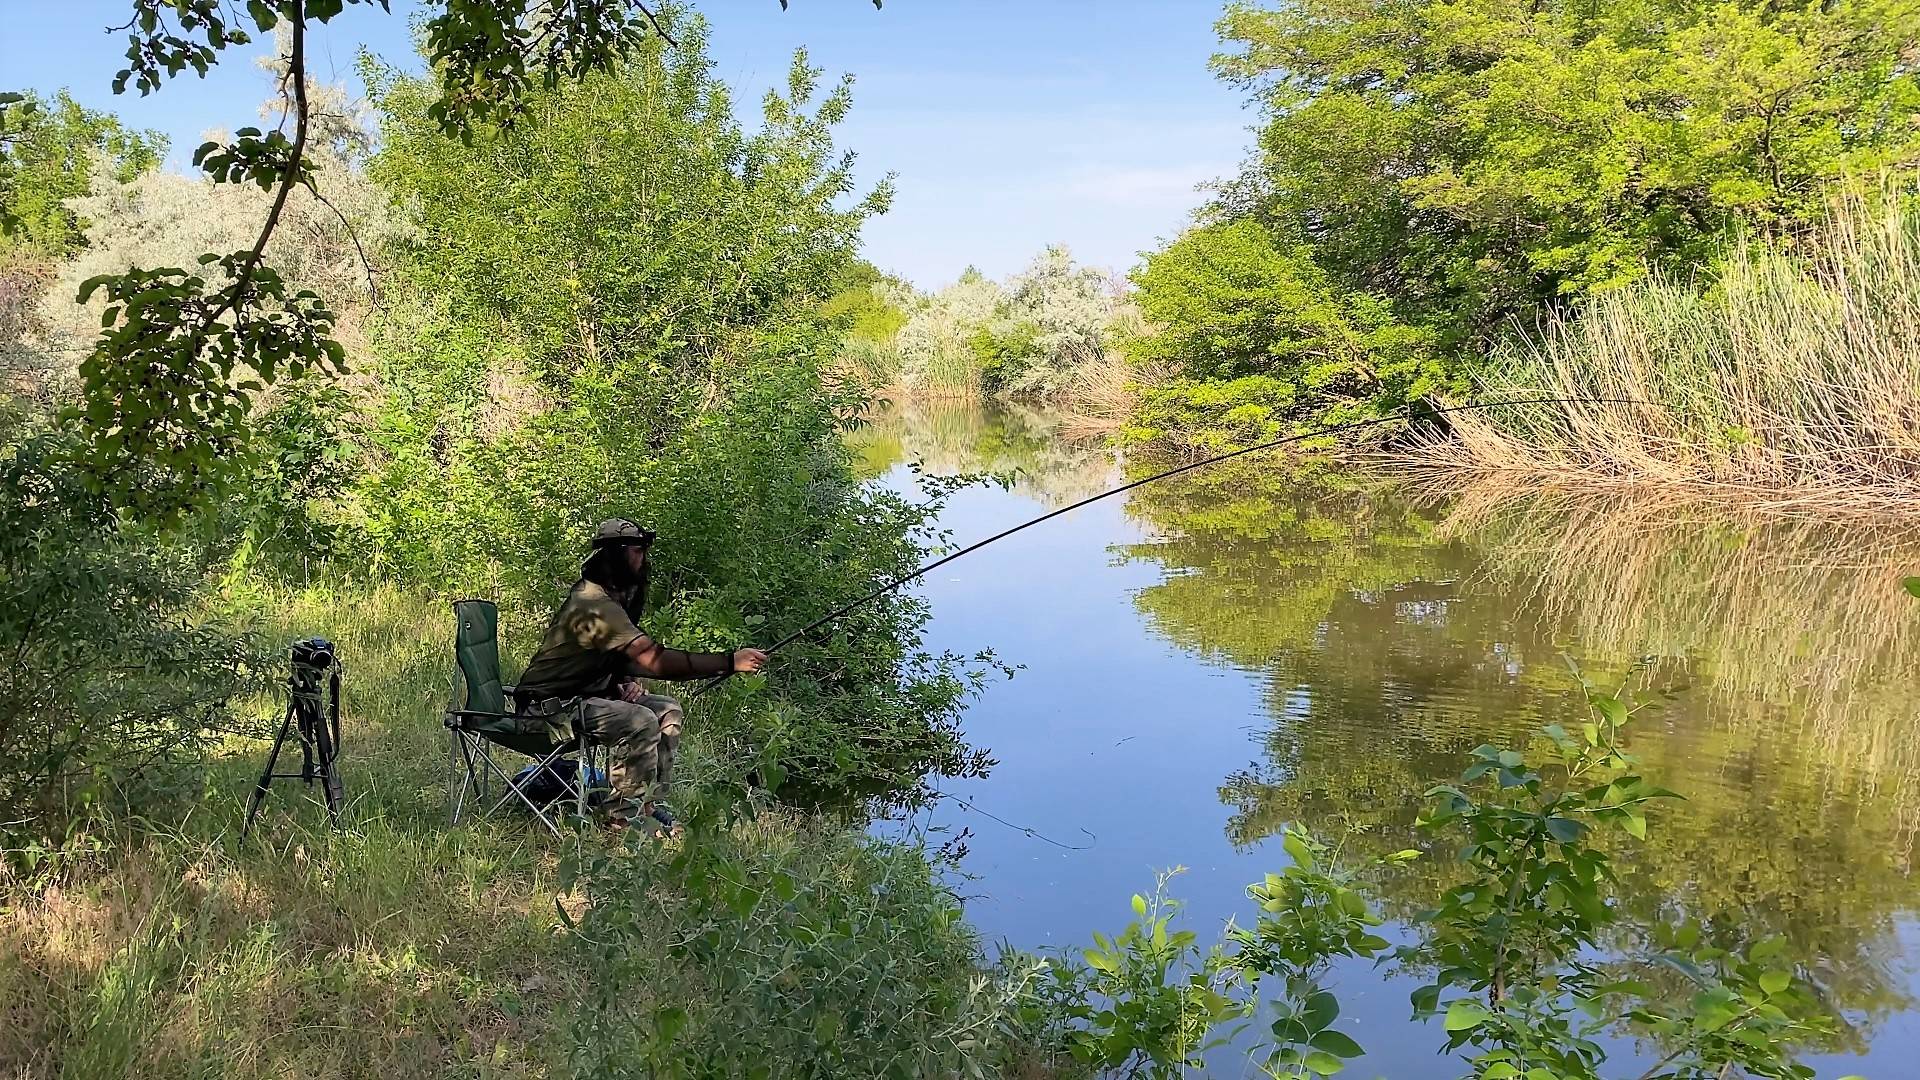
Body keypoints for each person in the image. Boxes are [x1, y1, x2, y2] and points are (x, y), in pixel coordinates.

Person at [515, 518, 767, 832]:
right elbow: (657, 660)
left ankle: (646, 804)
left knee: (667, 711)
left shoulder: (610, 597)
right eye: (636, 552)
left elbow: (611, 657)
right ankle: (622, 818)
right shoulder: (594, 604)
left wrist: (623, 681)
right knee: (639, 720)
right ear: (615, 555)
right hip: (548, 710)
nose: (642, 560)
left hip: (584, 698)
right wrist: (729, 661)